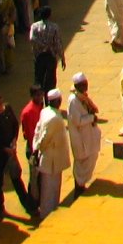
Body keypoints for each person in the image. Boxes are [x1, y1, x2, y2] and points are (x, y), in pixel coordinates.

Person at [0, 89, 35, 220]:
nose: (0, 101)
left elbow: (14, 125)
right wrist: (4, 148)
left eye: (0, 98)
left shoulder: (7, 109)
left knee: (16, 178)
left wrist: (14, 140)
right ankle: (0, 207)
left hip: (10, 150)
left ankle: (26, 205)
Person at [31, 89, 69, 220]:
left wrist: (35, 147)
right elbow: (44, 138)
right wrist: (39, 148)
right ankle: (47, 216)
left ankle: (50, 213)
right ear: (58, 101)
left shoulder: (44, 111)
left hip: (51, 157)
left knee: (51, 188)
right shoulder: (54, 118)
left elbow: (37, 130)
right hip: (51, 158)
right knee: (50, 191)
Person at [66, 73, 103, 192]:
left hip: (87, 135)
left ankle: (82, 183)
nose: (86, 86)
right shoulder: (73, 100)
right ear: (77, 86)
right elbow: (77, 120)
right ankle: (79, 186)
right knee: (81, 162)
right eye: (83, 84)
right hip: (80, 137)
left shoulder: (82, 96)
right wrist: (91, 118)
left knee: (91, 157)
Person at [29, 7, 65, 93]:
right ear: (49, 15)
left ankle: (39, 99)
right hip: (51, 56)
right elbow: (58, 44)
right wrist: (62, 57)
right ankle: (49, 99)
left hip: (39, 56)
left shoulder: (34, 26)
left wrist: (42, 45)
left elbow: (32, 39)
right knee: (51, 80)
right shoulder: (54, 27)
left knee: (39, 79)